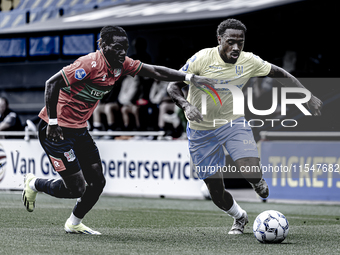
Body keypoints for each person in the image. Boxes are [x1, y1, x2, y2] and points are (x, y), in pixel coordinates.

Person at [22, 25, 215, 235]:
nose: (122, 52)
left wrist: (188, 78)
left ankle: (74, 223)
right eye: (117, 48)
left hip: (79, 130)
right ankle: (35, 183)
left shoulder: (122, 64)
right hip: (55, 130)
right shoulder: (88, 64)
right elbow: (52, 84)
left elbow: (156, 71)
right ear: (102, 45)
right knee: (76, 188)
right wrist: (52, 122)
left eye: (125, 47)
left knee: (97, 182)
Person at [167, 19, 323, 235]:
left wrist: (308, 96)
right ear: (219, 39)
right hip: (200, 131)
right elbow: (172, 84)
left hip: (233, 123)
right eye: (230, 42)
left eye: (240, 42)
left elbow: (281, 74)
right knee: (216, 193)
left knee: (250, 171)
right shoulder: (202, 59)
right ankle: (239, 216)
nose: (236, 47)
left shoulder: (250, 61)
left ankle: (257, 181)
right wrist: (185, 105)